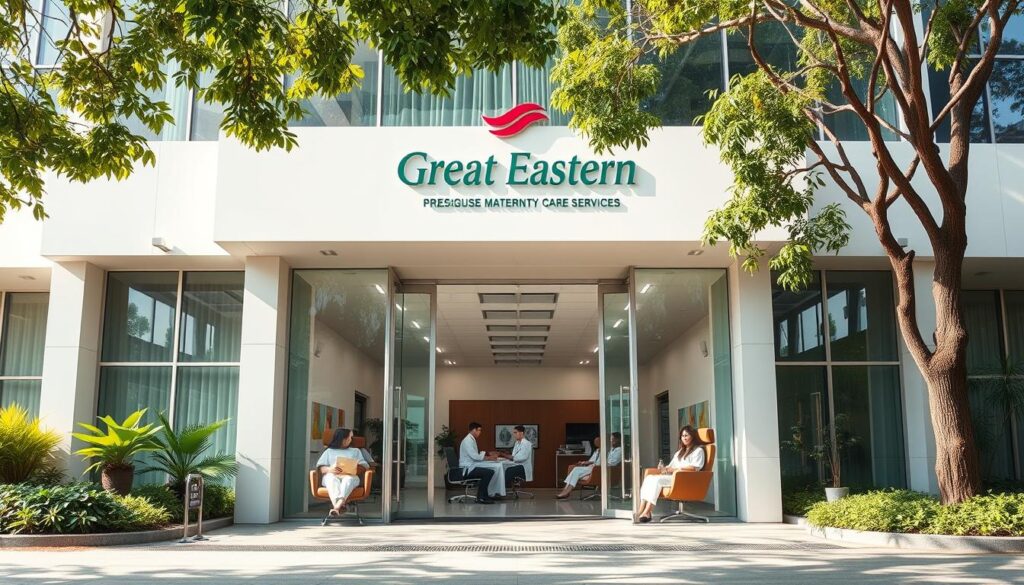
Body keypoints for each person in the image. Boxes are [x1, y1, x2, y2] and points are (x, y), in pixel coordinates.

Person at [636, 425, 706, 523]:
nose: (684, 438)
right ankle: (641, 508)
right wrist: (664, 468)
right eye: (682, 436)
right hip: (673, 477)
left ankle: (647, 511)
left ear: (692, 436)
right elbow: (670, 467)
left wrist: (676, 469)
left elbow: (695, 468)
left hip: (684, 479)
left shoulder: (698, 451)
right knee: (649, 478)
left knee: (657, 480)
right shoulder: (680, 452)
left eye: (686, 435)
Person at [315, 427, 369, 517]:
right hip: (332, 475)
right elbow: (320, 468)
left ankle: (336, 507)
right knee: (331, 479)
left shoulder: (355, 451)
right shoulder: (329, 451)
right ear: (342, 438)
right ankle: (340, 506)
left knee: (348, 479)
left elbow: (364, 466)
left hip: (350, 476)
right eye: (349, 437)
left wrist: (352, 469)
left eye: (351, 437)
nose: (351, 439)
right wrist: (330, 469)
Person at [554, 432, 622, 499]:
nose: (610, 440)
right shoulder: (609, 449)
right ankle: (566, 490)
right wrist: (591, 463)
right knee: (575, 470)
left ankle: (566, 491)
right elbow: (599, 461)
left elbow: (611, 463)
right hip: (596, 468)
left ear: (617, 440)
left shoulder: (619, 450)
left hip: (601, 469)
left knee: (576, 470)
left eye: (611, 439)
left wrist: (595, 465)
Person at [458, 421, 498, 503]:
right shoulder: (468, 441)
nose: (480, 432)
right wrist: (489, 458)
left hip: (471, 466)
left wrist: (487, 457)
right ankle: (481, 497)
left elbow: (475, 455)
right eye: (479, 430)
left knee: (489, 471)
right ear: (473, 430)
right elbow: (475, 457)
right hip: (467, 469)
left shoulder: (471, 439)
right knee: (489, 472)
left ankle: (485, 495)